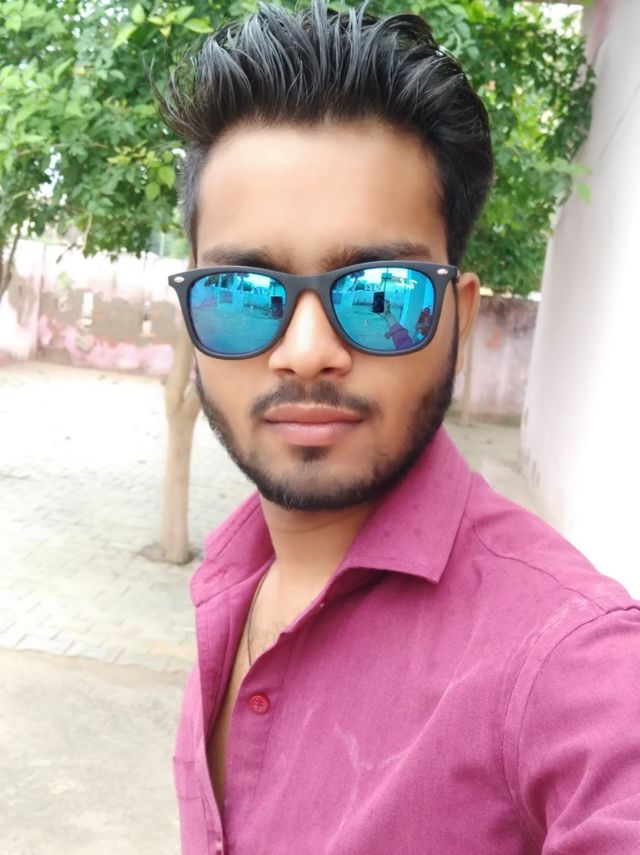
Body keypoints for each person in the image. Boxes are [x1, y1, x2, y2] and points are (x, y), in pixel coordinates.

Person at [159, 3, 640, 852]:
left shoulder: (568, 657)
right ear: (193, 313)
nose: (307, 352)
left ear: (458, 317)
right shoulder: (235, 575)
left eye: (380, 293)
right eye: (243, 293)